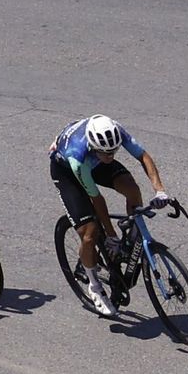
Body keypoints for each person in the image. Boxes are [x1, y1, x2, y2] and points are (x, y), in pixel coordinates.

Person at [48, 113, 170, 316]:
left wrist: (160, 190)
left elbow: (143, 156)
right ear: (94, 147)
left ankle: (129, 241)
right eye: (106, 153)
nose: (111, 157)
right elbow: (97, 199)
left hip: (92, 161)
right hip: (67, 171)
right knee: (90, 232)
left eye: (113, 152)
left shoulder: (115, 131)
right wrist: (111, 234)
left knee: (132, 189)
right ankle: (94, 286)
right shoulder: (77, 155)